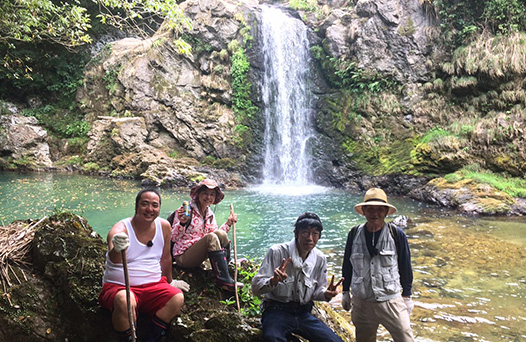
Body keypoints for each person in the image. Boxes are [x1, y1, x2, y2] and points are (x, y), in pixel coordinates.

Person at [98, 188, 186, 342]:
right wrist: (118, 247)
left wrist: (170, 281)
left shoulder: (164, 226)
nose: (150, 209)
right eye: (145, 204)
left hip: (153, 285)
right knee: (125, 300)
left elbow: (165, 257)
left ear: (159, 208)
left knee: (177, 298)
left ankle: (151, 338)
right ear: (136, 206)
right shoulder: (121, 229)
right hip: (120, 286)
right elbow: (115, 259)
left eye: (155, 205)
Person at [252, 212, 344, 342]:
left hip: (303, 314)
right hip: (276, 311)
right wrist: (273, 281)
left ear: (319, 236)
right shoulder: (277, 252)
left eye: (315, 234)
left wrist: (327, 294)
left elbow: (317, 292)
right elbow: (255, 289)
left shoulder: (320, 259)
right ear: (296, 233)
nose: (310, 238)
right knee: (272, 338)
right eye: (305, 232)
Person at [341, 188, 415, 342]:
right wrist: (345, 291)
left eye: (380, 209)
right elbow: (347, 264)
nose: (375, 213)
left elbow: (405, 265)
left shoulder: (397, 234)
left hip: (390, 300)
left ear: (386, 212)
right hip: (362, 302)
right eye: (371, 209)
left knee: (405, 337)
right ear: (364, 211)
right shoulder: (353, 233)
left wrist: (407, 295)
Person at [170, 178, 242, 291]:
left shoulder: (210, 214)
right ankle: (224, 281)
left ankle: (225, 270)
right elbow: (173, 237)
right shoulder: (187, 209)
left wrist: (228, 224)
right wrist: (182, 223)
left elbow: (215, 236)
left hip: (198, 253)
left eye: (212, 194)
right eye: (205, 193)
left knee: (221, 234)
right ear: (198, 194)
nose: (208, 197)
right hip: (183, 256)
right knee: (211, 237)